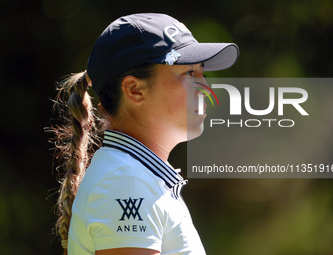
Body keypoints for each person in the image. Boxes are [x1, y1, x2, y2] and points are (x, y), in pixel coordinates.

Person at [51, 13, 239, 255]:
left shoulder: (135, 176)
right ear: (135, 90)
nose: (206, 88)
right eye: (189, 73)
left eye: (201, 72)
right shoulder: (125, 180)